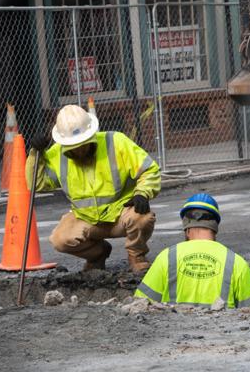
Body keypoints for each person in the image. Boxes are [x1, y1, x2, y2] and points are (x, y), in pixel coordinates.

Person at [26, 104, 160, 272]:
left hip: (121, 213)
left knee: (143, 218)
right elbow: (36, 184)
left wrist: (142, 193)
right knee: (60, 239)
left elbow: (150, 170)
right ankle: (97, 255)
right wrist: (35, 155)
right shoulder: (57, 155)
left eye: (83, 144)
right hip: (85, 218)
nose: (80, 150)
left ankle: (136, 255)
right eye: (74, 147)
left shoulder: (115, 142)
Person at [133, 193, 250, 309]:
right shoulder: (236, 263)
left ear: (186, 227)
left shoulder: (166, 257)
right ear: (215, 227)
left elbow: (140, 303)